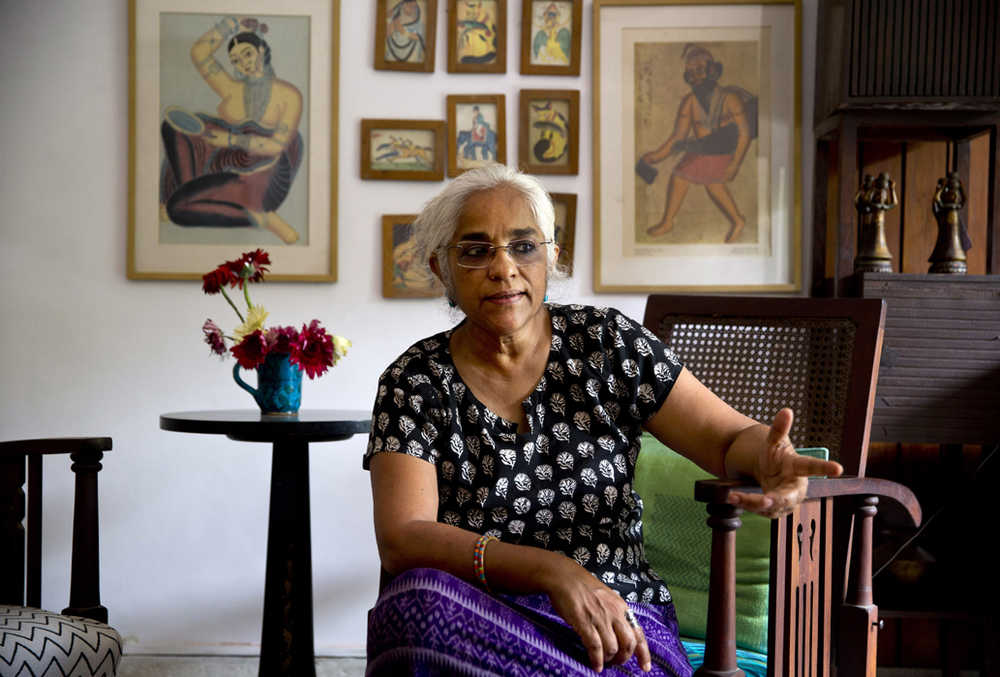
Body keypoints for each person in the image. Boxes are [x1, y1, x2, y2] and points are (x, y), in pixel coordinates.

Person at [363, 164, 842, 676]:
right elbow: (404, 536)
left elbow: (726, 439)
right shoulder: (414, 380)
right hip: (478, 619)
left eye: (524, 246)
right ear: (442, 269)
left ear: (551, 256)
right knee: (413, 604)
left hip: (617, 620)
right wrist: (552, 573)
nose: (504, 268)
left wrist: (768, 459)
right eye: (476, 251)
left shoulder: (607, 344)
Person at [160, 16, 304, 244]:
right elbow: (199, 53)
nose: (243, 63)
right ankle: (190, 191)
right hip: (228, 165)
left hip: (263, 176)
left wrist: (230, 139)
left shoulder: (288, 94)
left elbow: (278, 145)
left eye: (247, 54)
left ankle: (263, 219)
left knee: (176, 209)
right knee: (172, 127)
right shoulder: (231, 89)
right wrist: (231, 24)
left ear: (261, 50)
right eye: (235, 60)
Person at [639, 45, 753, 243]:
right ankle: (735, 220)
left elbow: (744, 133)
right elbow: (678, 137)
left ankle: (735, 220)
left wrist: (735, 163)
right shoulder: (690, 102)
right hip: (701, 152)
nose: (695, 77)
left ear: (712, 70)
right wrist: (656, 156)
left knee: (693, 180)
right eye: (690, 73)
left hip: (721, 152)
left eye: (699, 70)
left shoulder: (730, 99)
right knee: (701, 183)